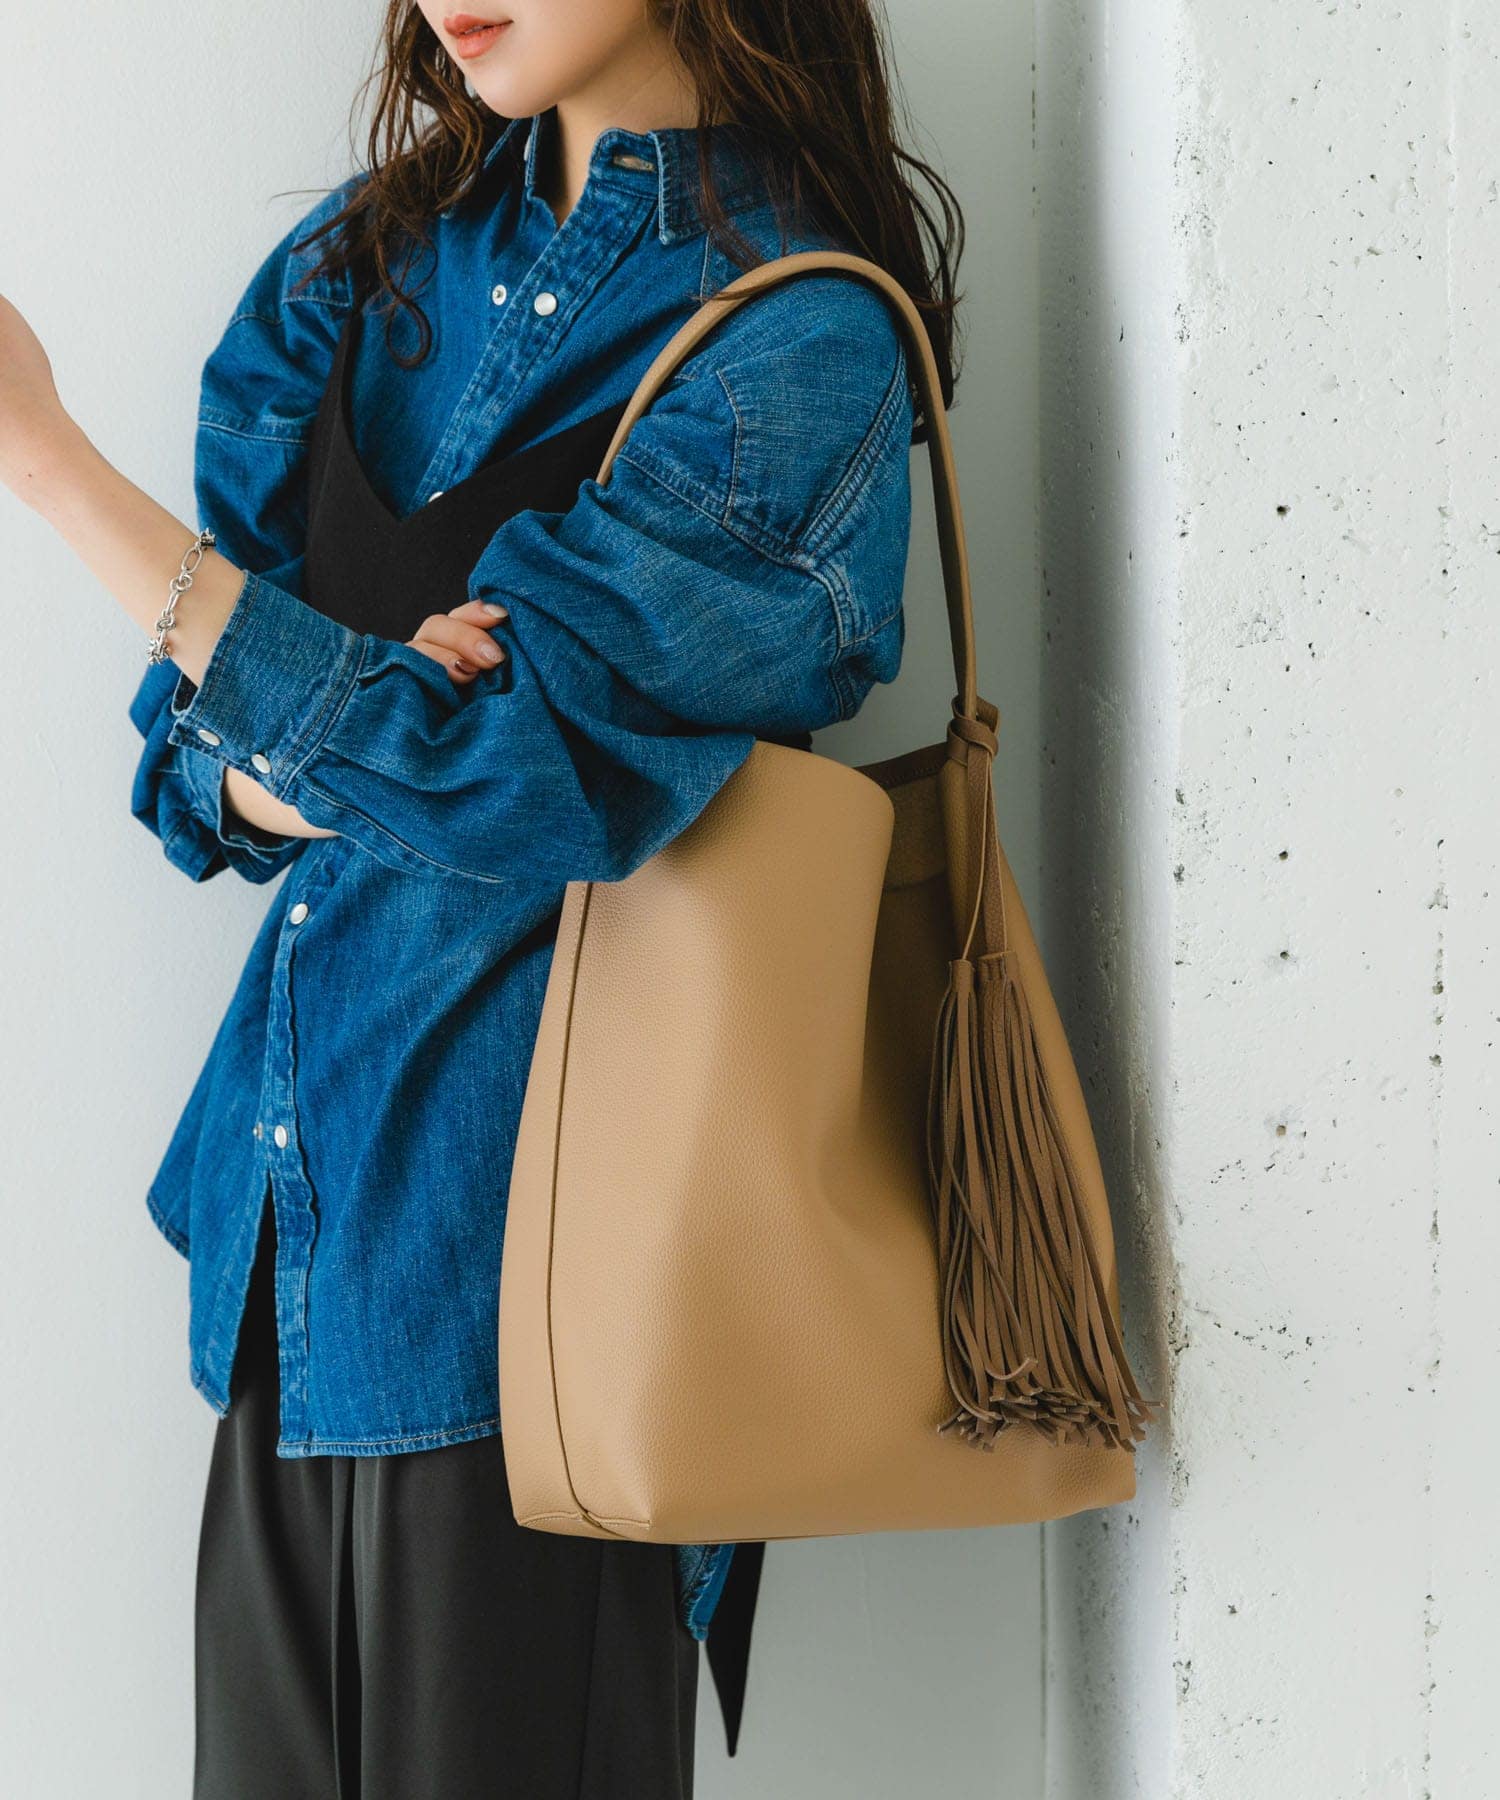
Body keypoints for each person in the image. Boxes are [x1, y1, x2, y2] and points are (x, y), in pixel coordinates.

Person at [0, 0, 965, 1791]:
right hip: (293, 1248)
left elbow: (501, 775)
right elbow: (193, 765)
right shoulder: (364, 270)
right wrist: (329, 737)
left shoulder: (792, 336)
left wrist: (47, 465)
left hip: (545, 1309)